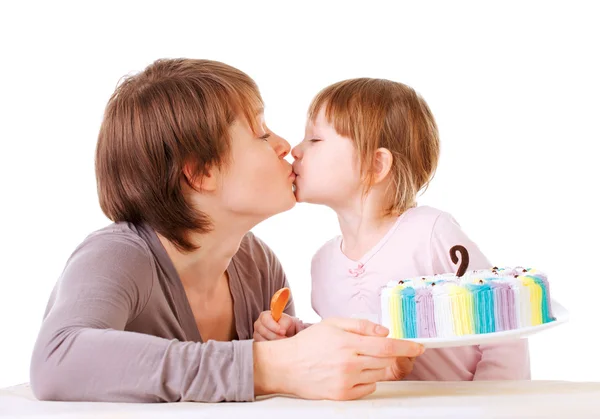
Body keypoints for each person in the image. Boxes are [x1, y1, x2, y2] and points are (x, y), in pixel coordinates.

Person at [29, 60, 424, 403]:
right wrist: (264, 365)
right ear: (201, 172)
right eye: (261, 133)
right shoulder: (117, 255)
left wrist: (355, 363)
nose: (285, 145)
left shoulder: (260, 267)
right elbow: (58, 359)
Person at [253, 78, 530, 380]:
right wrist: (298, 335)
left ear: (376, 165)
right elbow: (347, 346)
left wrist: (495, 401)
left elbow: (505, 324)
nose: (296, 150)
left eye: (315, 140)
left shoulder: (429, 232)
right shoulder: (323, 262)